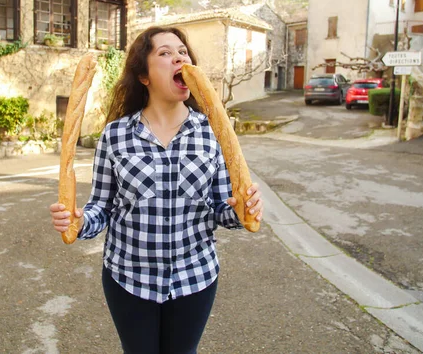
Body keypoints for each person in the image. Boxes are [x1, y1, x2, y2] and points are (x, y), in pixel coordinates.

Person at [50, 26, 263, 354]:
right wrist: (78, 222)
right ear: (144, 77)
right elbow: (102, 207)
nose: (179, 56)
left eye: (182, 51)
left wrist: (241, 210)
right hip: (129, 280)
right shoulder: (115, 135)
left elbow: (222, 206)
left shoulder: (213, 132)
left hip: (195, 277)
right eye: (165, 53)